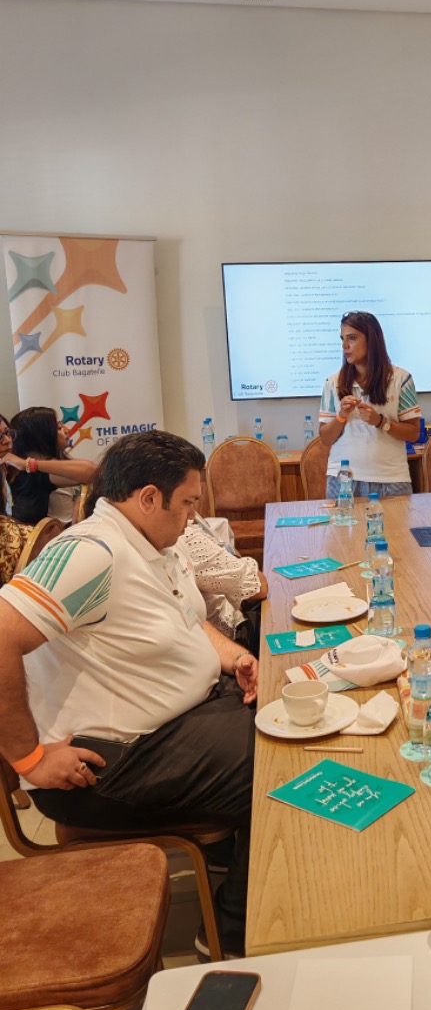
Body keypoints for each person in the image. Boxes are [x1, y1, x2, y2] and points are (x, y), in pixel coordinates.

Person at [0, 430, 258, 958]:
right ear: (148, 498)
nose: (193, 517)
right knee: (276, 769)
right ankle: (233, 931)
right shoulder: (89, 552)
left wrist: (233, 658)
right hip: (109, 761)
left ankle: (230, 870)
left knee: (281, 719)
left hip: (175, 726)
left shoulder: (152, 543)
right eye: (187, 503)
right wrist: (28, 758)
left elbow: (187, 620)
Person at [319, 311, 422, 497]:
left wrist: (381, 422)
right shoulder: (333, 382)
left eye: (352, 338)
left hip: (391, 478)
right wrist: (341, 416)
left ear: (372, 340)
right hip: (343, 479)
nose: (344, 345)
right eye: (342, 339)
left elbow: (414, 433)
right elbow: (325, 438)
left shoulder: (401, 379)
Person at [177, 514, 268, 648]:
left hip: (215, 637)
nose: (191, 513)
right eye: (186, 503)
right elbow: (260, 587)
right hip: (232, 635)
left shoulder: (183, 532)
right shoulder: (184, 537)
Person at [4, 406, 96, 524]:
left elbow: (92, 471)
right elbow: (91, 472)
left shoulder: (38, 467)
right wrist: (29, 465)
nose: (67, 429)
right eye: (58, 428)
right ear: (40, 436)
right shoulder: (28, 472)